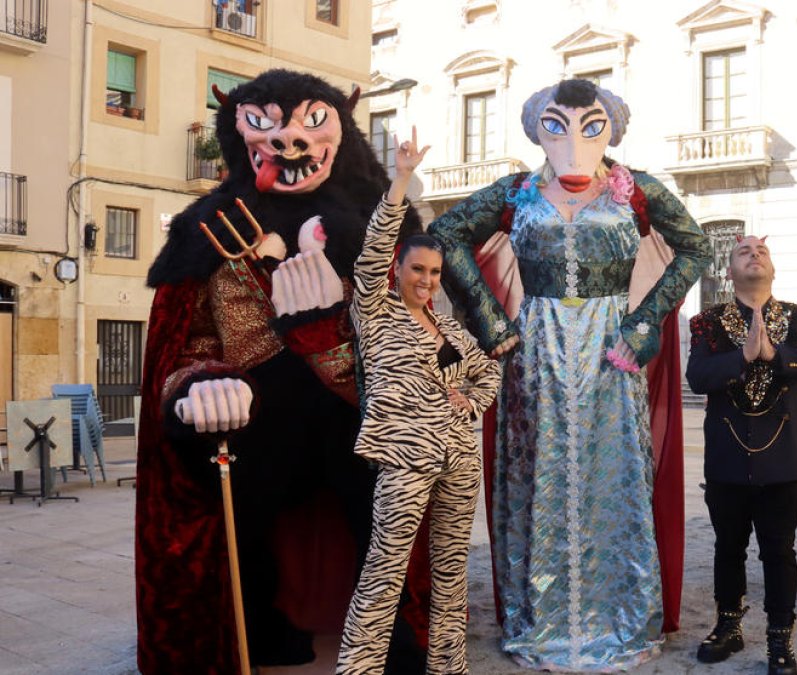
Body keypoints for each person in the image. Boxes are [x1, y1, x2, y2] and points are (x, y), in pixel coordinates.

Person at [136, 70, 428, 673]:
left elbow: (416, 331)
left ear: (338, 132)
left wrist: (332, 336)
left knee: (382, 501)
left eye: (310, 122)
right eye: (265, 123)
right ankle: (251, 625)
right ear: (240, 134)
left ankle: (393, 629)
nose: (289, 141)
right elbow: (183, 341)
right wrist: (198, 384)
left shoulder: (382, 225)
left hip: (356, 408)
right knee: (242, 509)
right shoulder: (207, 228)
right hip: (256, 413)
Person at [429, 78, 711, 670]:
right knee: (538, 472)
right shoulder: (516, 192)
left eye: (590, 125)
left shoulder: (637, 191)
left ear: (608, 127)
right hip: (536, 350)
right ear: (540, 130)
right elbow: (444, 236)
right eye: (557, 126)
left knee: (614, 472)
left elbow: (696, 249)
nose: (574, 141)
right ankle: (543, 617)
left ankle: (619, 617)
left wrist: (644, 324)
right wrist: (490, 320)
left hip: (613, 349)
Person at [337, 129, 501, 674]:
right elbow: (374, 248)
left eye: (434, 272)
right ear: (398, 272)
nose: (427, 280)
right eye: (418, 271)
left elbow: (488, 373)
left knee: (452, 571)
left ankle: (448, 668)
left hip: (460, 457)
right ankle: (359, 669)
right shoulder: (376, 312)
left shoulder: (449, 328)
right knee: (385, 568)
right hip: (404, 456)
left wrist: (468, 400)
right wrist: (402, 179)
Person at [686, 235, 797, 675]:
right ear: (729, 272)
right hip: (727, 459)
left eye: (762, 251)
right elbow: (697, 376)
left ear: (773, 269)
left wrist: (776, 354)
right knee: (728, 547)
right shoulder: (706, 323)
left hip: (783, 460)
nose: (755, 254)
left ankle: (779, 639)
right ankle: (728, 626)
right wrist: (743, 356)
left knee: (778, 551)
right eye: (743, 252)